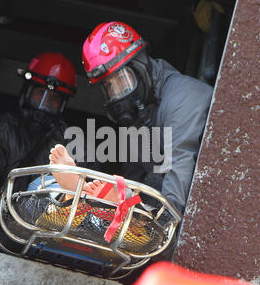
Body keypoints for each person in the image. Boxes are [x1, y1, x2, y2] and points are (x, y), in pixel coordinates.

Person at [81, 21, 213, 217]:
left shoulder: (183, 98)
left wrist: (157, 225)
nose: (118, 93)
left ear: (141, 65)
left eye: (122, 79)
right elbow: (133, 183)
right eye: (109, 87)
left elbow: (175, 198)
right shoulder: (141, 116)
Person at [0, 52, 77, 248]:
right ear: (26, 91)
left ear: (63, 105)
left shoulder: (70, 143)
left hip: (41, 243)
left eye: (54, 98)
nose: (44, 104)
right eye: (40, 93)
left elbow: (81, 195)